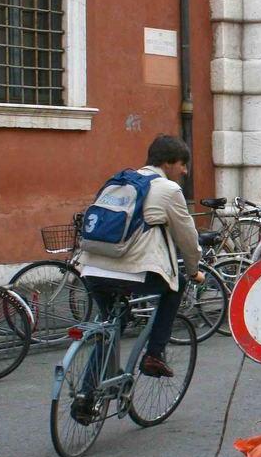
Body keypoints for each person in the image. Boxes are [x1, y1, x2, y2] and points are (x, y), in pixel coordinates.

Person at [78, 135, 204, 383]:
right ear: (169, 163)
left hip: (91, 270)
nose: (185, 171)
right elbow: (188, 237)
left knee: (113, 323)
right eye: (183, 164)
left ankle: (87, 392)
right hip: (133, 271)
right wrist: (193, 270)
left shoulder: (119, 182)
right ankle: (154, 355)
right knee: (175, 286)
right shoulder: (168, 189)